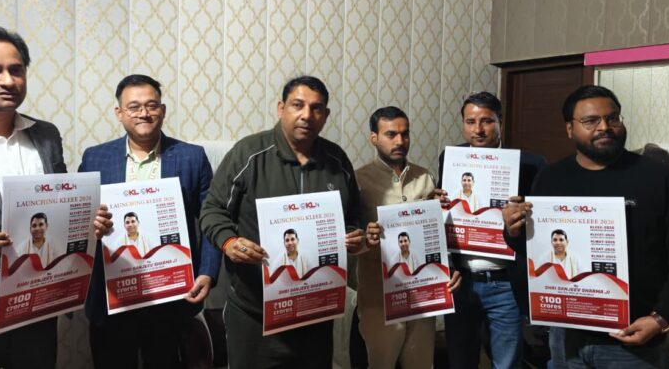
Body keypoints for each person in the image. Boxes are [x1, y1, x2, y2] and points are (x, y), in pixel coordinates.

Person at [503, 85, 669, 368]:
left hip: (632, 341)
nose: (604, 127)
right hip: (565, 335)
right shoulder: (550, 178)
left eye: (612, 118)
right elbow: (533, 248)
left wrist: (661, 317)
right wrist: (513, 230)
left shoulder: (659, 177)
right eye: (591, 121)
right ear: (570, 129)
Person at [0, 26, 112, 367]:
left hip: (37, 316)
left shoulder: (45, 135)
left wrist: (88, 221)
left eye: (16, 70)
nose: (8, 80)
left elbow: (61, 209)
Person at [200, 75, 366, 368]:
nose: (306, 115)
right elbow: (212, 209)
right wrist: (229, 241)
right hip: (255, 313)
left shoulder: (336, 160)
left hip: (315, 311)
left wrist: (354, 235)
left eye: (316, 108)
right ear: (281, 108)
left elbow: (353, 216)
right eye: (297, 105)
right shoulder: (249, 153)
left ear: (326, 115)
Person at [79, 74, 221, 369]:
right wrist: (92, 223)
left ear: (163, 110)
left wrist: (207, 272)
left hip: (170, 296)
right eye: (134, 107)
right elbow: (80, 219)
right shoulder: (95, 158)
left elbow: (211, 219)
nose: (143, 113)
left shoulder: (191, 157)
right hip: (112, 296)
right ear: (119, 113)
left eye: (151, 105)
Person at [437, 91, 546, 369]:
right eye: (470, 121)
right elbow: (444, 216)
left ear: (500, 121)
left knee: (507, 363)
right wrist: (437, 203)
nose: (478, 129)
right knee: (460, 361)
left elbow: (542, 228)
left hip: (505, 283)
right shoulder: (450, 158)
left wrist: (525, 214)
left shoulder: (530, 164)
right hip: (461, 281)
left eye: (486, 121)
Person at [356, 106, 461, 369]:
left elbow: (436, 234)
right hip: (378, 298)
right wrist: (366, 236)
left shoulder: (425, 178)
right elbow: (350, 238)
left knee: (421, 364)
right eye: (391, 134)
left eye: (405, 134)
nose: (400, 141)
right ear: (373, 138)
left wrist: (448, 267)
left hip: (422, 294)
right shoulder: (359, 181)